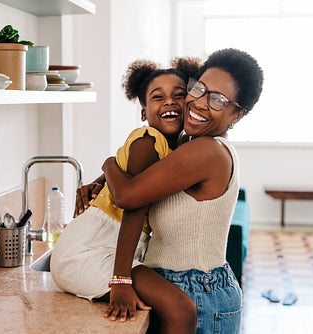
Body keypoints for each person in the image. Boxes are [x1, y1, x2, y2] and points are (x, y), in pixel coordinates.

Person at [101, 48, 264, 333]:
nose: (199, 103)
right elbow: (145, 177)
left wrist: (108, 164)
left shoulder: (206, 151)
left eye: (217, 100)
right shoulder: (189, 143)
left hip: (196, 294)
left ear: (237, 114)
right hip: (187, 288)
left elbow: (128, 195)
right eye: (199, 88)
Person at [50, 57, 202, 332]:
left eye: (178, 96)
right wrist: (120, 280)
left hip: (115, 246)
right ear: (144, 112)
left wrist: (107, 167)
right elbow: (133, 205)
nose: (169, 101)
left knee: (180, 309)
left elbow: (127, 172)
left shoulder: (176, 148)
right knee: (182, 308)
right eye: (158, 97)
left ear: (189, 104)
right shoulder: (148, 141)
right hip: (88, 251)